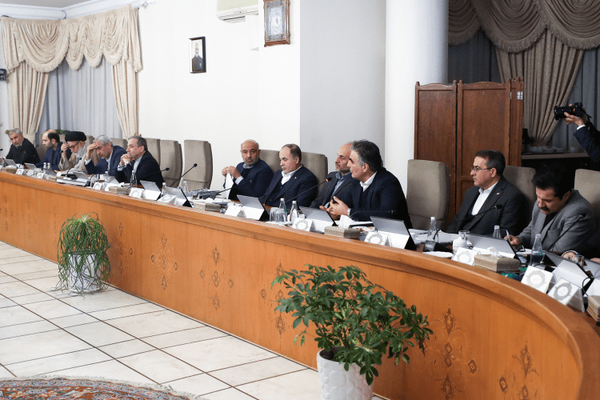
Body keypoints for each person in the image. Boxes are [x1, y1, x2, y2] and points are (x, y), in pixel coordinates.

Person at [509, 166, 599, 256]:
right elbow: (532, 231)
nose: (540, 205)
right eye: (538, 197)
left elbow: (560, 252)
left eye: (547, 201)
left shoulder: (580, 212)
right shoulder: (542, 199)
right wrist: (519, 240)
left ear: (566, 196)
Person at [328, 140, 412, 227]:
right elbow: (345, 205)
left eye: (351, 161)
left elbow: (386, 215)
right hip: (364, 232)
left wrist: (348, 212)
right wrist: (335, 211)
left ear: (365, 167)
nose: (348, 165)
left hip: (393, 233)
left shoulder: (388, 183)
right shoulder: (355, 181)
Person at [446, 150, 528, 236]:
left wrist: (472, 241)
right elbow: (456, 222)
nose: (472, 173)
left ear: (492, 172)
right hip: (458, 241)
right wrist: (447, 239)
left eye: (477, 168)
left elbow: (505, 233)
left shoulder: (512, 196)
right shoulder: (471, 191)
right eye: (473, 168)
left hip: (483, 243)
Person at [260, 144, 318, 208]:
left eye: (285, 159)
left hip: (282, 213)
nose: (281, 164)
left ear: (296, 160)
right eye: (280, 160)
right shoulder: (278, 173)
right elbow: (266, 195)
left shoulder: (307, 178)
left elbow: (299, 206)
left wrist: (271, 209)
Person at [309, 143, 354, 211]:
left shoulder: (357, 181)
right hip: (321, 214)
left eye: (342, 157)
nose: (336, 160)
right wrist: (309, 213)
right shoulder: (331, 176)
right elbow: (319, 200)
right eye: (337, 156)